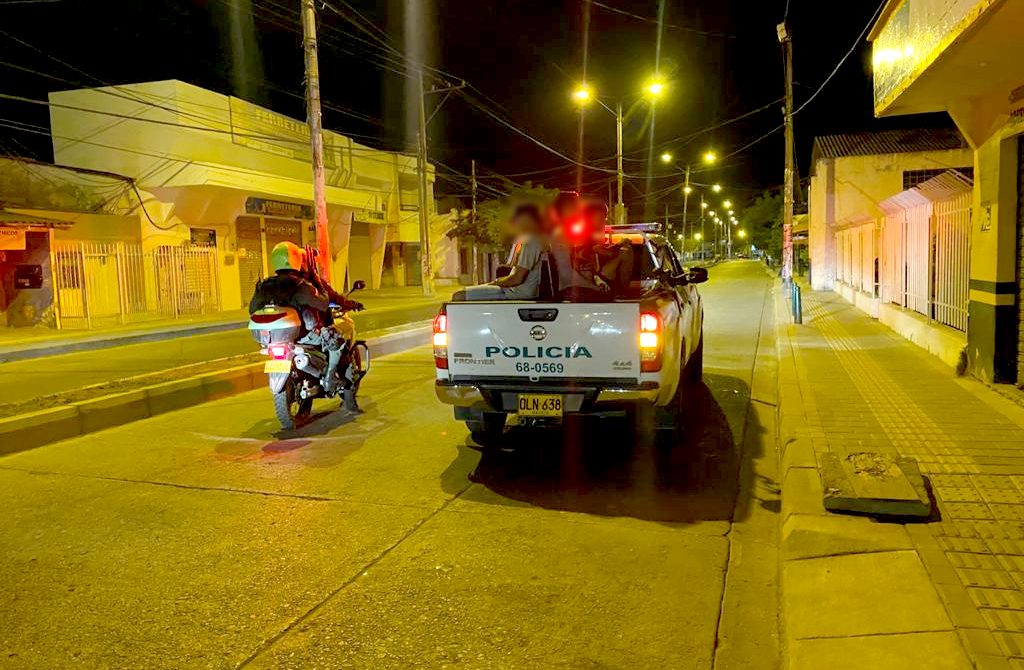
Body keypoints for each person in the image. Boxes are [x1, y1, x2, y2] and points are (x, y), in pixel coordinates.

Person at [249, 242, 360, 394]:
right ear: (298, 260)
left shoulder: (265, 285)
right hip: (306, 335)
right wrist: (317, 280)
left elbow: (252, 309)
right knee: (337, 342)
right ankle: (331, 381)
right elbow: (323, 302)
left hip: (278, 338)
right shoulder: (301, 284)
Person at [454, 203, 547, 301]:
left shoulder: (531, 241)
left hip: (516, 292)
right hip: (516, 290)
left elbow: (517, 279)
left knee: (459, 295)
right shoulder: (538, 239)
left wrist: (496, 282)